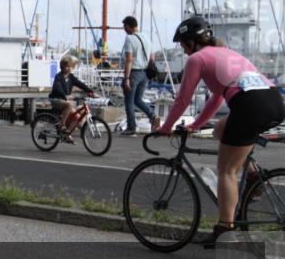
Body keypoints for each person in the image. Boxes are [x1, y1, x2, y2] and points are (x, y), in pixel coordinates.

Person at [156, 16, 285, 245]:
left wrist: (166, 128)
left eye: (184, 45)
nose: (184, 51)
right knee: (219, 129)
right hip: (274, 101)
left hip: (249, 106)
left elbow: (182, 99)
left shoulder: (197, 59)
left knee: (226, 171)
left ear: (192, 43)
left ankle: (225, 229)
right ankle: (254, 174)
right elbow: (216, 100)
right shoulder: (228, 54)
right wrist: (195, 124)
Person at [120, 15, 159, 135]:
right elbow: (152, 57)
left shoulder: (129, 38)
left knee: (129, 102)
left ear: (128, 26)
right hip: (145, 73)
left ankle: (132, 128)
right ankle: (152, 115)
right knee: (138, 99)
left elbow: (129, 59)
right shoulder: (146, 37)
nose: (124, 29)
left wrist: (126, 78)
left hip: (134, 72)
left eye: (124, 27)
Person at [49, 56, 94, 143]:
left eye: (71, 66)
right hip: (56, 99)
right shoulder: (58, 77)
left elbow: (80, 84)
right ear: (63, 67)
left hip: (65, 101)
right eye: (68, 66)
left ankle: (67, 135)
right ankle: (61, 125)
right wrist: (65, 96)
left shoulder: (71, 77)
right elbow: (57, 88)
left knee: (78, 117)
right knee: (69, 105)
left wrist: (91, 91)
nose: (70, 68)